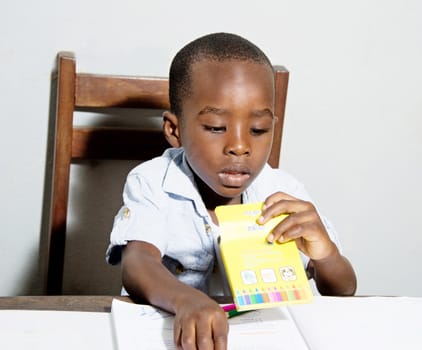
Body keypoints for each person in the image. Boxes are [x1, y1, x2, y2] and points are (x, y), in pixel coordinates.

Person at [106, 32, 357, 350]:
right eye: (215, 127)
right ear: (175, 130)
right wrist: (186, 300)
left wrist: (326, 255)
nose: (240, 147)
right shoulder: (152, 181)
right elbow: (138, 263)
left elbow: (344, 290)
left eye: (258, 130)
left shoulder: (284, 191)